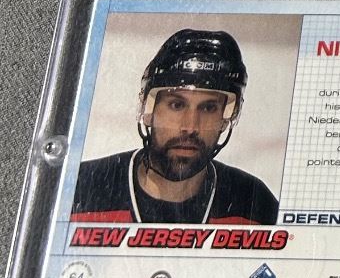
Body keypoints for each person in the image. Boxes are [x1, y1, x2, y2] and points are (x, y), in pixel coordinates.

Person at [72, 29, 278, 225]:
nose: (190, 127)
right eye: (176, 105)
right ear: (149, 109)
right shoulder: (82, 185)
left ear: (226, 117)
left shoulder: (254, 202)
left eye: (208, 108)